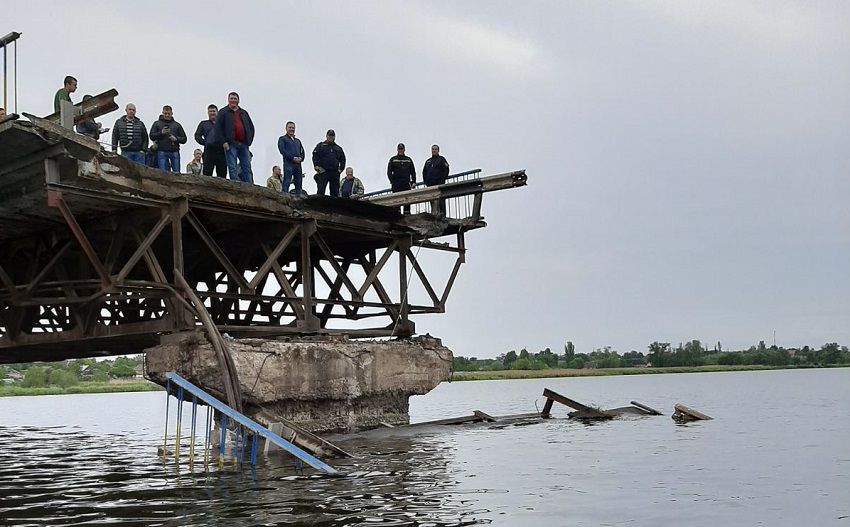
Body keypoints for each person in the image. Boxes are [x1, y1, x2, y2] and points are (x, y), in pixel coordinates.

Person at [215, 92, 255, 183]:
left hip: (243, 144)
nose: (233, 100)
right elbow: (218, 128)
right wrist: (223, 142)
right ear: (228, 100)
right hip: (230, 144)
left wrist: (249, 141)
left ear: (238, 100)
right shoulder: (223, 112)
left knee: (246, 167)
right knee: (232, 167)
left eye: (235, 98)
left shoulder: (243, 113)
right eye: (231, 98)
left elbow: (251, 127)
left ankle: (249, 186)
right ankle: (235, 186)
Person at [149, 105, 187, 173]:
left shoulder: (177, 125)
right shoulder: (157, 124)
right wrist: (161, 133)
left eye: (168, 114)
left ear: (172, 114)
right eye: (165, 113)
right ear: (162, 113)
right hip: (161, 151)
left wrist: (176, 139)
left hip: (174, 151)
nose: (167, 115)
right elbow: (151, 136)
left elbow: (184, 139)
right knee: (163, 173)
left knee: (176, 173)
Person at [194, 104, 226, 178]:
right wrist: (205, 142)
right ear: (208, 113)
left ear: (217, 112)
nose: (212, 113)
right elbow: (197, 135)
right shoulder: (203, 124)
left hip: (221, 151)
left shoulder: (222, 124)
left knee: (222, 173)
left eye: (214, 111)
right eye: (210, 111)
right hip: (209, 151)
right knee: (207, 173)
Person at [312, 129, 346, 196]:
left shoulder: (338, 148)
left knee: (335, 192)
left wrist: (340, 169)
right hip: (323, 171)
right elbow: (315, 155)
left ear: (334, 137)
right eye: (329, 136)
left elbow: (343, 159)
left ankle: (334, 206)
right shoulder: (320, 146)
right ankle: (319, 205)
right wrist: (316, 165)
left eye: (332, 136)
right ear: (326, 136)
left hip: (335, 172)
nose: (331, 137)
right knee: (321, 191)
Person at [277, 121, 305, 195]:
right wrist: (292, 158)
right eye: (290, 127)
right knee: (287, 182)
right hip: (288, 164)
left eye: (293, 128)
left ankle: (299, 200)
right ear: (286, 128)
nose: (291, 129)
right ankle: (284, 198)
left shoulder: (297, 141)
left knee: (299, 184)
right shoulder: (282, 139)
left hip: (298, 165)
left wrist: (301, 159)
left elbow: (302, 152)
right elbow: (282, 150)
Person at [387, 142, 416, 213]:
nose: (400, 150)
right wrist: (392, 181)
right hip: (396, 184)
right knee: (397, 201)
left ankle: (407, 215)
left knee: (407, 201)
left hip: (406, 183)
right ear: (397, 149)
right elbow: (389, 172)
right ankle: (397, 216)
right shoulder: (393, 159)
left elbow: (413, 171)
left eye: (402, 149)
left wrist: (413, 181)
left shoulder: (408, 159)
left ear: (404, 150)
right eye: (399, 149)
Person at [422, 144, 450, 214]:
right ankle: (434, 215)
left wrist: (442, 180)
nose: (434, 150)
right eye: (433, 149)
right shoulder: (428, 161)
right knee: (432, 201)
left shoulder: (441, 159)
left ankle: (442, 214)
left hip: (439, 184)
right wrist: (426, 181)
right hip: (430, 185)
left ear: (438, 150)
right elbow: (424, 172)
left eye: (435, 149)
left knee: (440, 200)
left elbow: (446, 170)